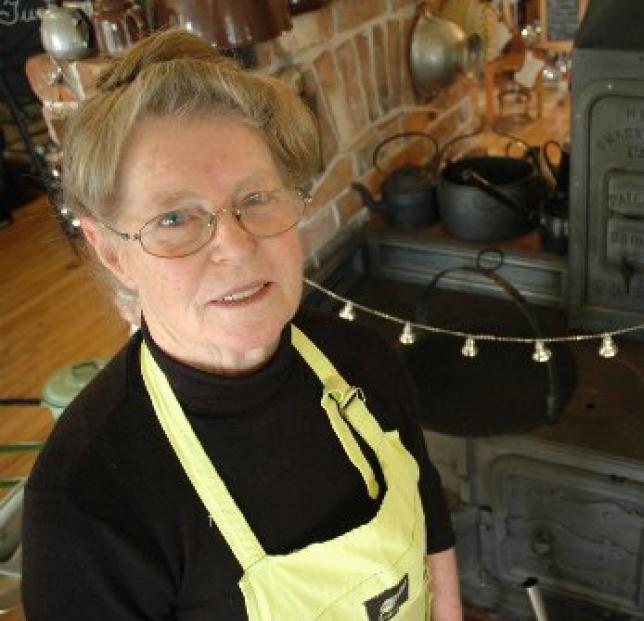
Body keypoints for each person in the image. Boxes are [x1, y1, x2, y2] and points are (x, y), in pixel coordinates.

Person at [22, 29, 463, 621]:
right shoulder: (88, 500)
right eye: (175, 217)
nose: (235, 244)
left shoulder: (365, 360)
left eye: (256, 197)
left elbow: (428, 514)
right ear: (112, 251)